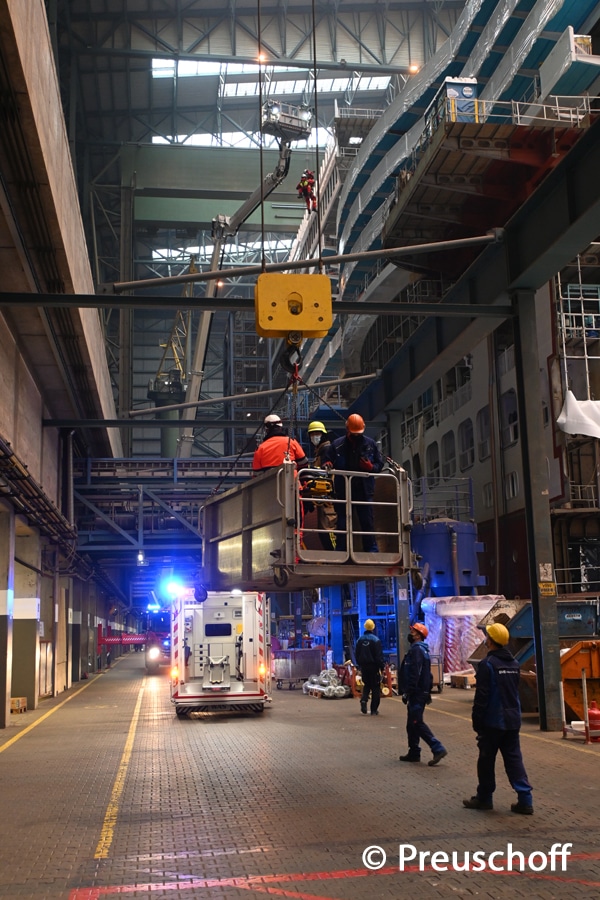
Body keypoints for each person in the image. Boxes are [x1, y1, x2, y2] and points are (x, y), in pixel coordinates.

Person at [463, 622, 533, 814]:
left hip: (493, 721)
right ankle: (525, 799)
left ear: (490, 641)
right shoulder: (514, 664)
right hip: (512, 720)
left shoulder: (488, 665)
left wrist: (477, 721)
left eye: (487, 637)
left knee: (486, 761)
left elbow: (482, 696)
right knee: (514, 760)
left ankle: (485, 798)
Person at [322, 414, 384, 552]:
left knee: (367, 521)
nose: (356, 436)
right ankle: (342, 549)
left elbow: (379, 465)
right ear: (347, 429)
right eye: (353, 433)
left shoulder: (370, 444)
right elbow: (327, 460)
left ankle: (371, 550)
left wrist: (370, 468)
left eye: (358, 433)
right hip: (343, 489)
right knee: (343, 522)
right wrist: (327, 463)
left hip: (363, 489)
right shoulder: (337, 445)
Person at [398, 622, 447, 765]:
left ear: (419, 635)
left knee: (416, 722)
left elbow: (416, 673)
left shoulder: (417, 651)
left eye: (413, 632)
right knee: (411, 724)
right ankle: (414, 752)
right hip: (420, 692)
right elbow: (428, 674)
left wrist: (409, 691)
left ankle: (437, 748)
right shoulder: (420, 650)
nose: (410, 634)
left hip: (417, 693)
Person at [305, 420, 337, 551]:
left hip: (329, 498)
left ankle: (335, 556)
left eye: (317, 434)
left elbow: (326, 473)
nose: (314, 437)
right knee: (323, 530)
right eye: (312, 434)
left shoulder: (327, 449)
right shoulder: (320, 451)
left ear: (323, 434)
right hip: (323, 496)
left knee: (329, 529)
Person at [355, 618, 385, 716]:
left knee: (367, 685)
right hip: (374, 667)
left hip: (364, 667)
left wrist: (359, 665)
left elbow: (357, 654)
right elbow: (379, 656)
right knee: (375, 687)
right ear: (373, 628)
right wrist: (382, 667)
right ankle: (373, 710)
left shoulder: (360, 640)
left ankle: (364, 700)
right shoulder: (376, 640)